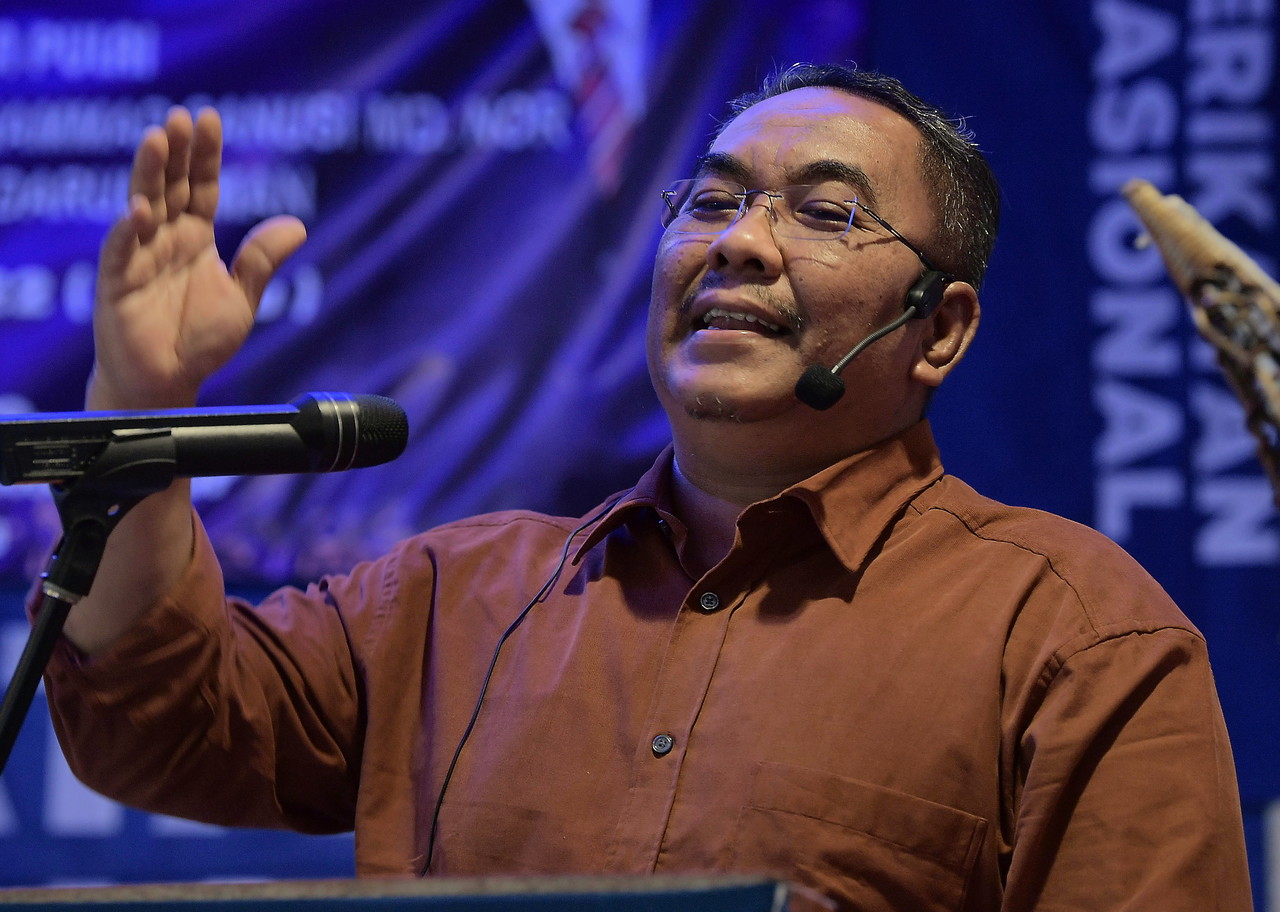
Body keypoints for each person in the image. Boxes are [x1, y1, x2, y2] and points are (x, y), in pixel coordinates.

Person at [38, 63, 1252, 911]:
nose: (738, 240)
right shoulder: (459, 597)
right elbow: (165, 723)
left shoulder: (1077, 637)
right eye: (712, 200)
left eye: (824, 211)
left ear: (936, 332)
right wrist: (136, 402)